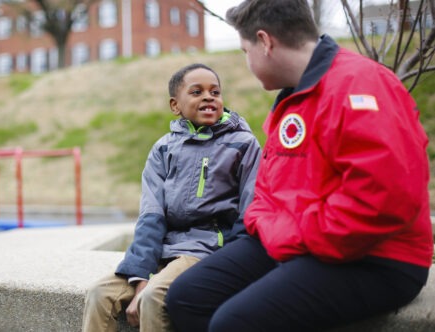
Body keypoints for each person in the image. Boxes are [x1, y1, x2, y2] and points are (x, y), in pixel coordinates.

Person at [165, 1, 434, 331]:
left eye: (245, 50)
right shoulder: (295, 95)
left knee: (234, 323)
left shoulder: (360, 85)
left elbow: (382, 202)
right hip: (300, 239)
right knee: (186, 297)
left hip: (378, 257)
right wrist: (271, 229)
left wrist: (288, 236)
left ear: (265, 42)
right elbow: (269, 189)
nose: (246, 61)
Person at [81, 63, 261, 332]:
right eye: (197, 92)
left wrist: (231, 266)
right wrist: (140, 274)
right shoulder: (163, 148)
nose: (209, 97)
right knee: (99, 294)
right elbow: (151, 216)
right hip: (165, 249)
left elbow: (251, 210)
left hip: (206, 249)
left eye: (215, 92)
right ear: (175, 105)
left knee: (154, 297)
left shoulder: (243, 144)